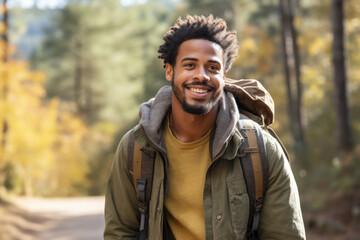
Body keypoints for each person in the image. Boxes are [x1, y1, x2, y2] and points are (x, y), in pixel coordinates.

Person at [104, 15, 306, 240]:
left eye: (212, 67)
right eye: (190, 65)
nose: (201, 75)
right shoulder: (136, 148)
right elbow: (120, 233)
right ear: (169, 71)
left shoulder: (260, 150)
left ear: (223, 76)